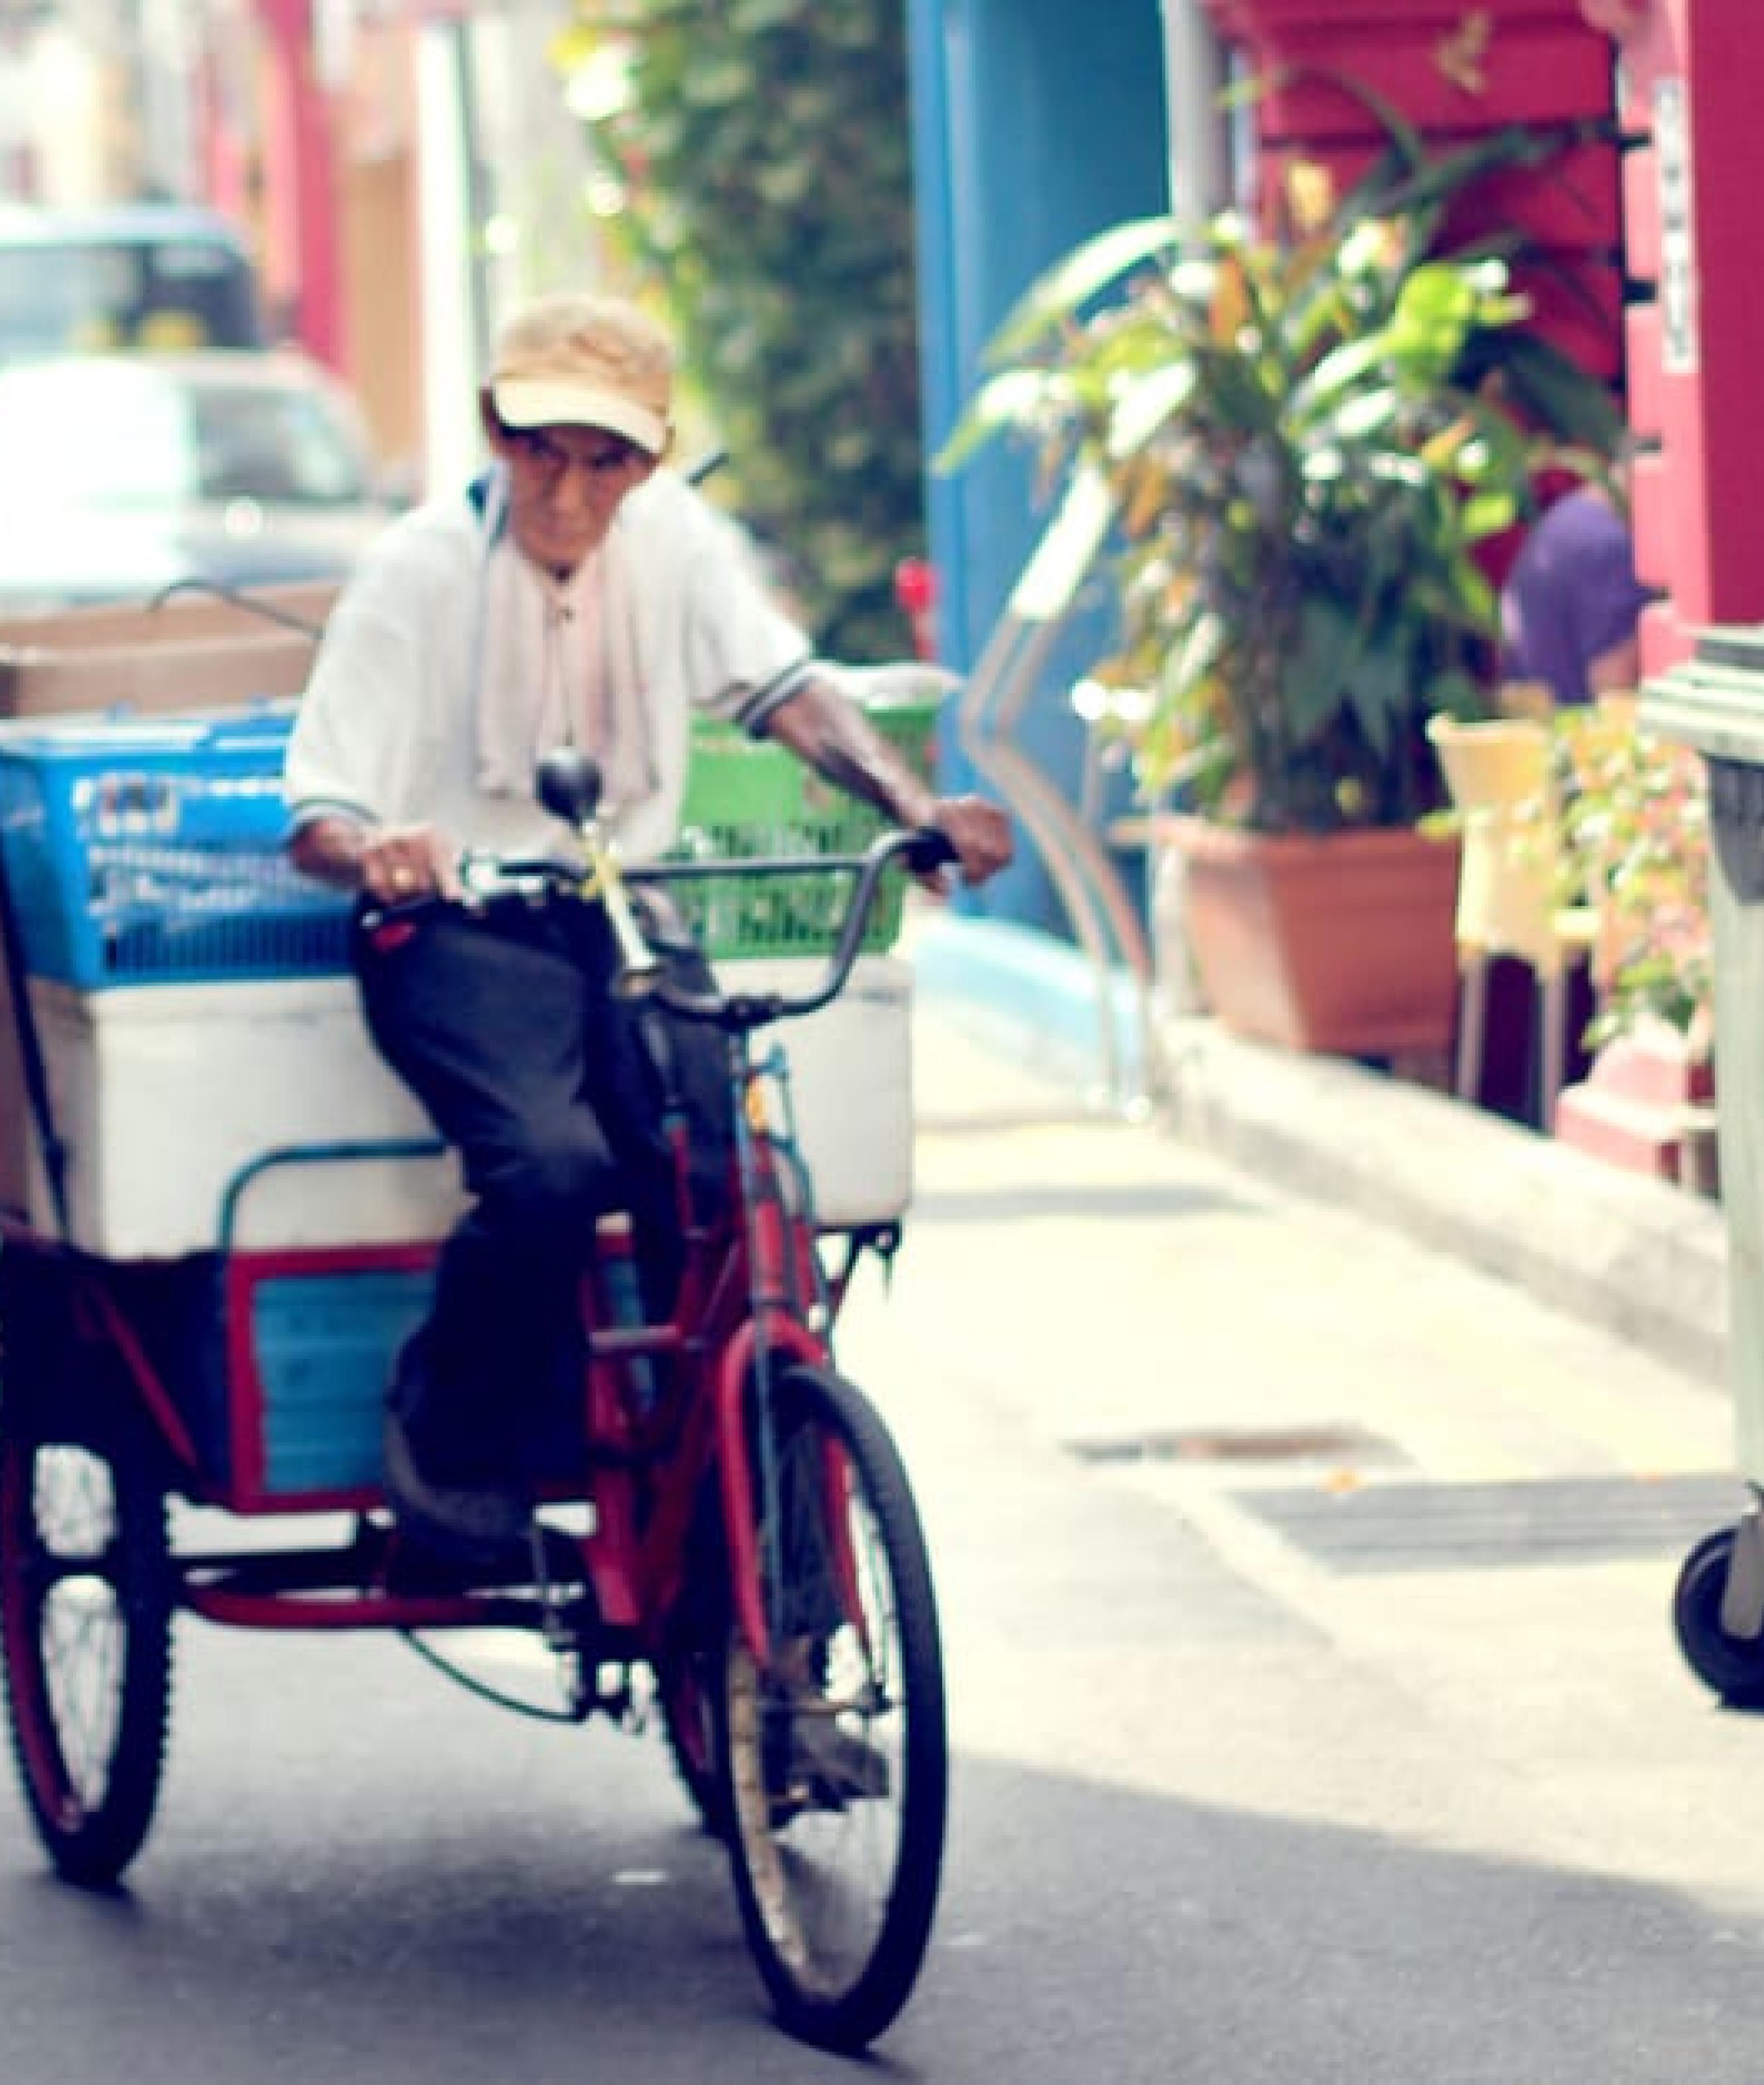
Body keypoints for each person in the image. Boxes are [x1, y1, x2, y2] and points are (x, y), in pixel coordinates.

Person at [283, 291, 1013, 1561]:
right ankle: (452, 1442)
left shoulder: (675, 542)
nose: (569, 488)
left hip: (617, 908)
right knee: (553, 1174)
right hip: (453, 924)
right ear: (493, 432)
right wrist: (382, 850)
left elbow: (785, 689)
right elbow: (317, 812)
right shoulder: (419, 570)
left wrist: (915, 803)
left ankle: (735, 1471)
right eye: (541, 449)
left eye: (606, 457)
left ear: (651, 462)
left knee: (727, 1176)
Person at [1499, 470, 1652, 711]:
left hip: (1540, 731)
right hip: (1581, 736)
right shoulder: (1610, 548)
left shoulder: (1564, 519)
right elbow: (1617, 695)